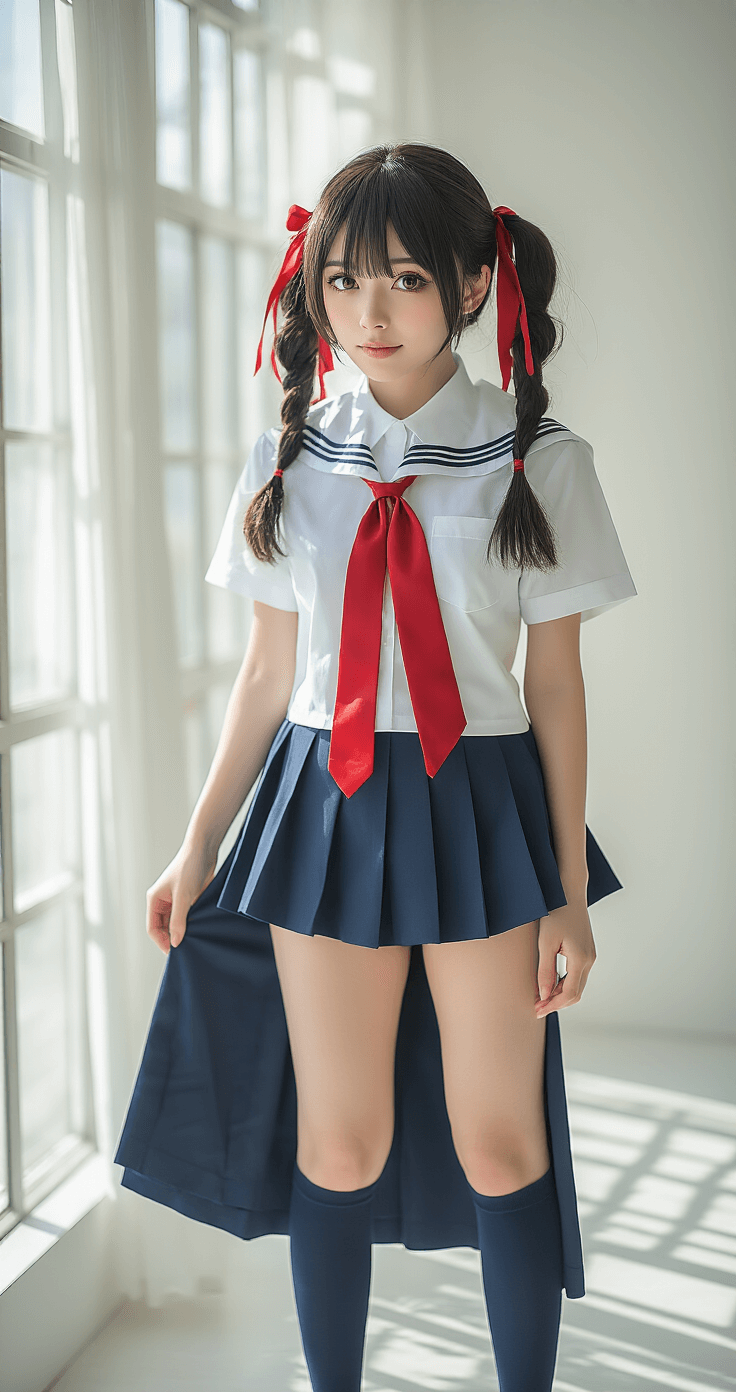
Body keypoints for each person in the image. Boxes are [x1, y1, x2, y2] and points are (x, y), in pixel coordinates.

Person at [114, 143, 638, 1392]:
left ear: (471, 285)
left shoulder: (537, 459)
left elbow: (555, 688)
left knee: (499, 1140)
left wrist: (566, 890)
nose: (368, 313)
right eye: (342, 282)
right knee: (339, 1139)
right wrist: (196, 846)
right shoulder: (291, 459)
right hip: (323, 805)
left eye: (404, 279)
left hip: (481, 806)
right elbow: (261, 676)